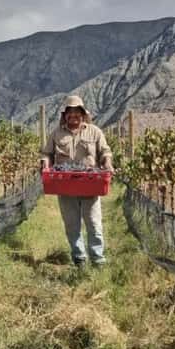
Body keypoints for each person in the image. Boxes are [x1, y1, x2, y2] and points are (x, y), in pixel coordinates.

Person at [41, 95, 114, 269]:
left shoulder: (94, 132)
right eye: (70, 113)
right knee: (72, 224)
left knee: (94, 223)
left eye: (77, 113)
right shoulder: (56, 134)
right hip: (65, 185)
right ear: (65, 115)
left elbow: (105, 152)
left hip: (90, 183)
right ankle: (79, 258)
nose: (73, 116)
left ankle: (98, 260)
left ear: (82, 114)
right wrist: (45, 164)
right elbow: (46, 154)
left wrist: (108, 164)